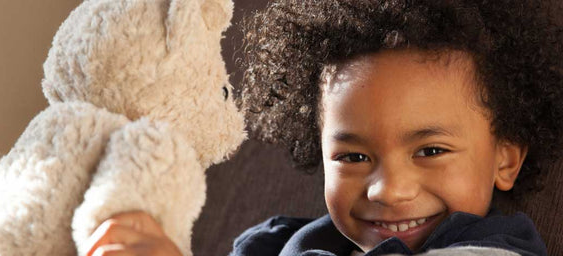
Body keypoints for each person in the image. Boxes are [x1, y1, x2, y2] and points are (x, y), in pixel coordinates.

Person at [85, 0, 563, 255]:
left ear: (506, 158)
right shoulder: (286, 243)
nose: (389, 190)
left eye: (430, 150)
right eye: (354, 157)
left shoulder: (490, 254)